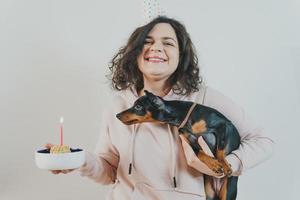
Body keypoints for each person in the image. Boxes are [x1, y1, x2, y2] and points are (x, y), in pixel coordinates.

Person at [47, 16, 274, 200]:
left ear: (180, 56)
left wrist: (223, 166)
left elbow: (263, 141)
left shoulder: (204, 98)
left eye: (168, 42)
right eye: (147, 41)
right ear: (135, 53)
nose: (156, 48)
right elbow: (108, 171)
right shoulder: (119, 106)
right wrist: (78, 160)